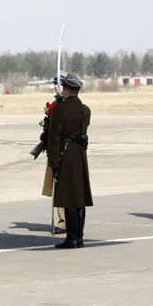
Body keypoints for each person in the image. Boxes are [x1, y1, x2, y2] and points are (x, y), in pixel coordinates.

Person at [46, 73, 92, 249]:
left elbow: (55, 137)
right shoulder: (85, 109)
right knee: (79, 197)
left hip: (65, 154)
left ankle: (72, 238)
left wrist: (53, 161)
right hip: (79, 154)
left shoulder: (61, 109)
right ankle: (79, 236)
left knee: (69, 198)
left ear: (67, 90)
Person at [40, 72, 67, 234]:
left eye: (58, 84)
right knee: (57, 187)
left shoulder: (66, 105)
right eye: (55, 84)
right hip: (54, 151)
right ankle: (62, 220)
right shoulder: (55, 105)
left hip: (65, 151)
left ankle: (65, 221)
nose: (55, 87)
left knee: (65, 188)